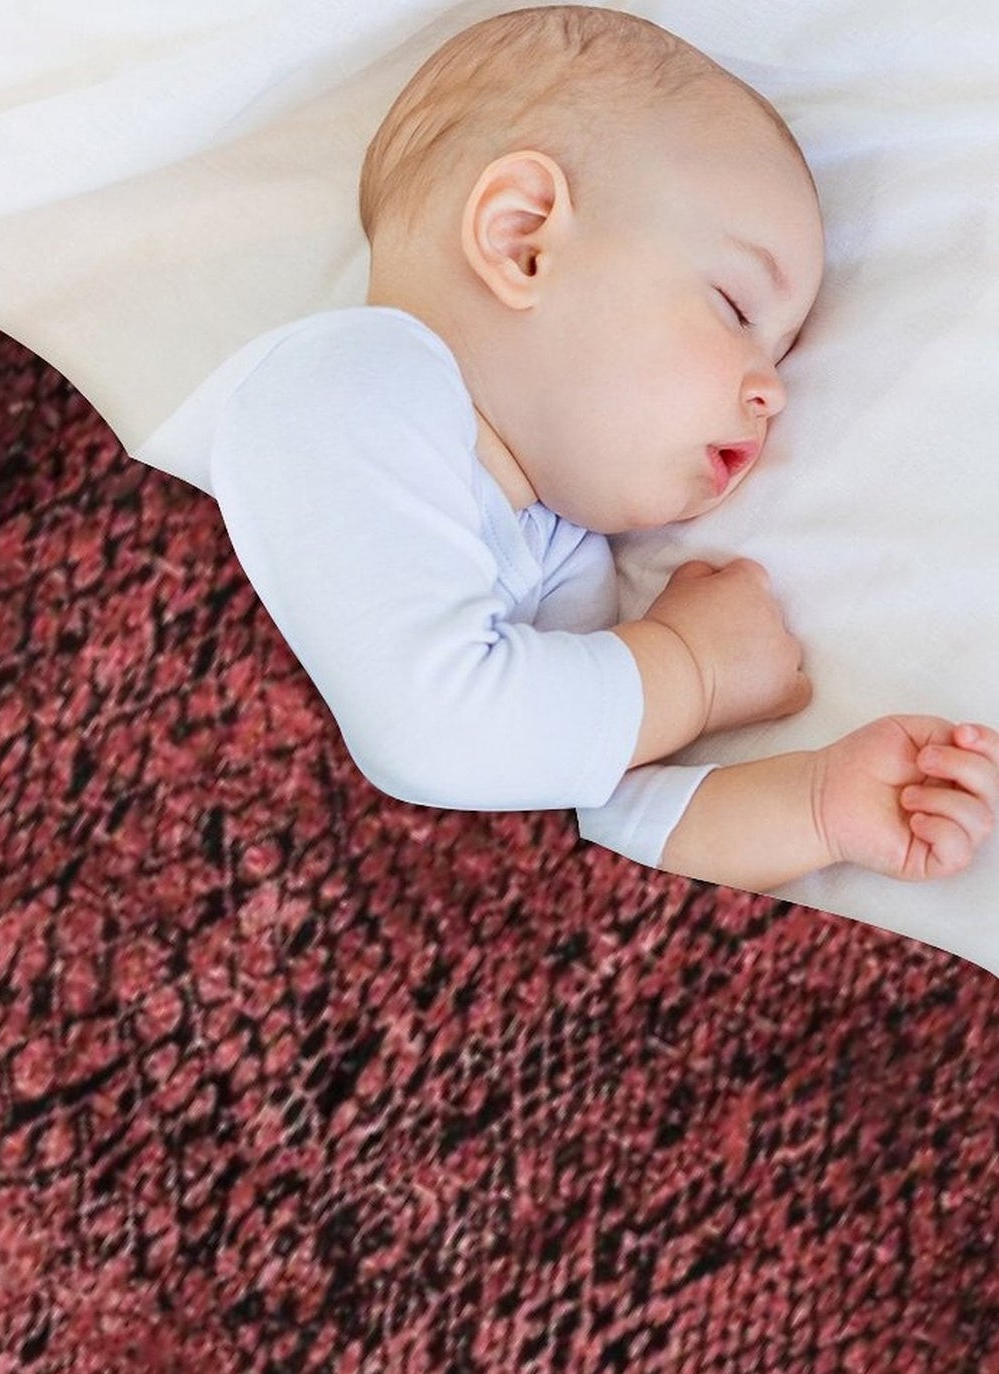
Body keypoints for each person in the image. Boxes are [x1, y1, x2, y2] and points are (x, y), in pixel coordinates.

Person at [182, 5, 998, 891]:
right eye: (733, 308)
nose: (771, 390)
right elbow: (438, 730)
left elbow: (602, 796)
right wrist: (689, 667)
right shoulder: (346, 378)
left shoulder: (558, 543)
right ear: (522, 240)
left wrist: (817, 805)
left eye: (779, 355)